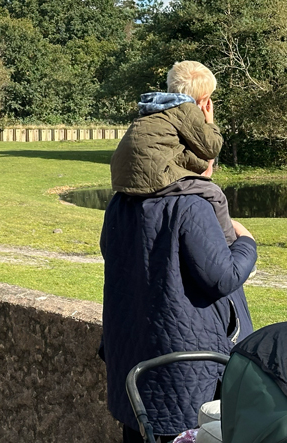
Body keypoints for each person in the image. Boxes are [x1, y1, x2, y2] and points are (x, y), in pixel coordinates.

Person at [100, 182, 258, 441]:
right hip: (185, 367)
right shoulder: (192, 206)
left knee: (141, 430)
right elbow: (223, 278)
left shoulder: (121, 201)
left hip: (134, 361)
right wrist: (247, 243)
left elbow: (112, 252)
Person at [110, 60, 236, 245]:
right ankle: (229, 246)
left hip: (123, 178)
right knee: (214, 194)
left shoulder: (154, 108)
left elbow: (172, 152)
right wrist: (210, 122)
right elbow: (211, 147)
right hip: (155, 176)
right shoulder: (186, 109)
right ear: (204, 98)